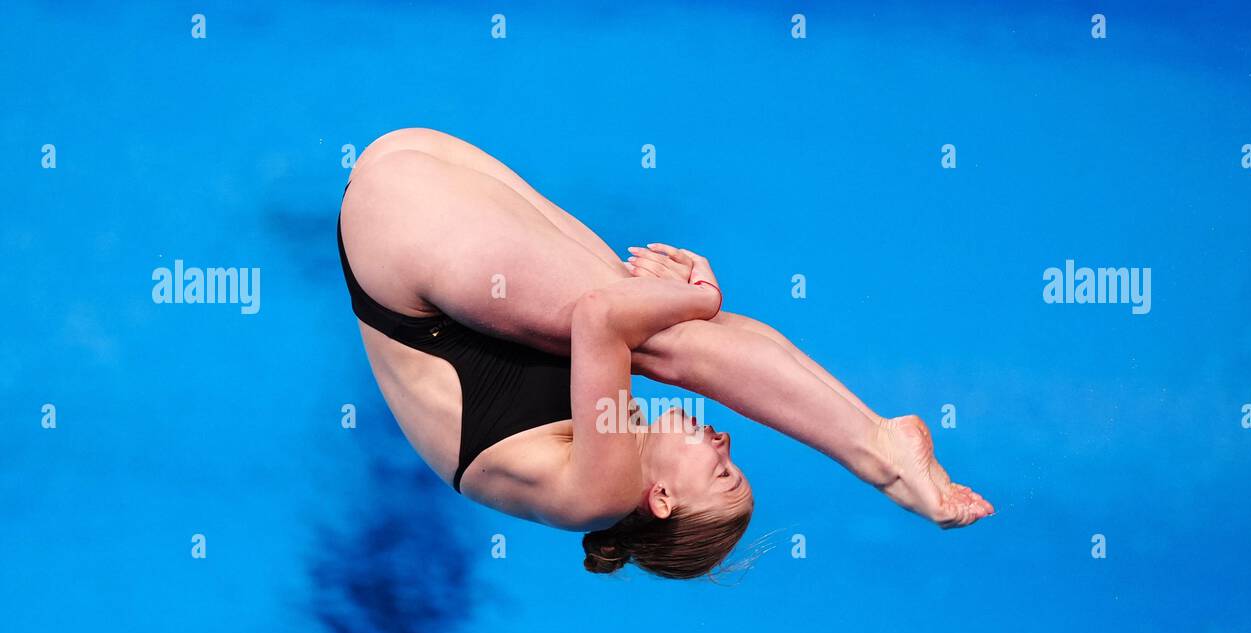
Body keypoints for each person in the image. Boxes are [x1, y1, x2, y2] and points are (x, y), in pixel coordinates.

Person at [337, 129, 992, 579]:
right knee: (656, 327)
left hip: (401, 220)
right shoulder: (602, 463)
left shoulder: (601, 491)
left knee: (660, 337)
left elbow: (600, 322)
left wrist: (699, 297)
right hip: (408, 190)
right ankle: (880, 445)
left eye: (723, 475)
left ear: (660, 499)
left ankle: (881, 449)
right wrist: (681, 303)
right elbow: (618, 319)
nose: (725, 444)